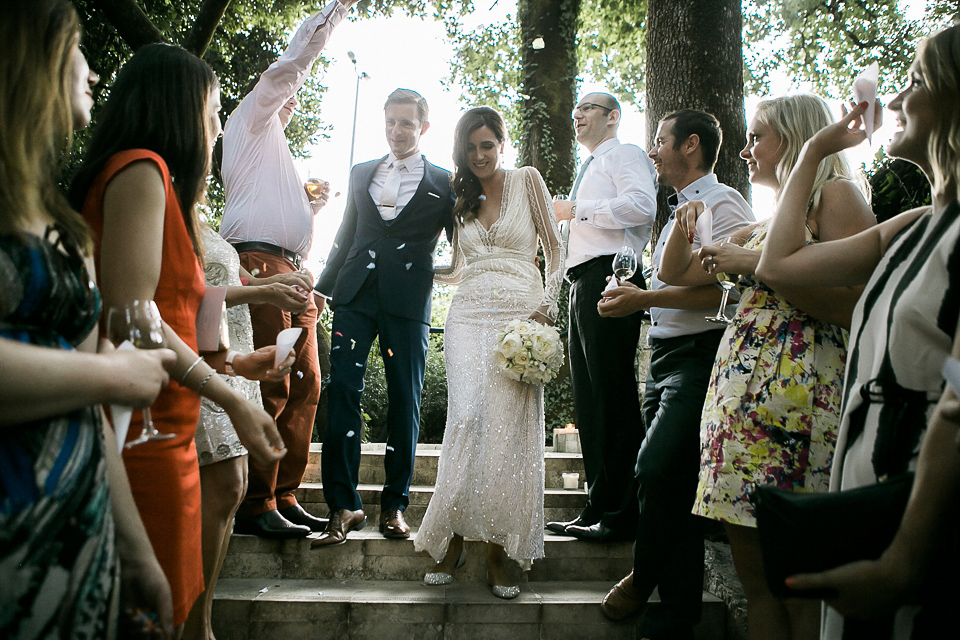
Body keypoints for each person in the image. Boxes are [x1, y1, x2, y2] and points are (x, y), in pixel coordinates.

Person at [70, 44, 289, 632]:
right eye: (214, 110)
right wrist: (229, 397)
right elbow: (135, 316)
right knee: (154, 609)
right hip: (145, 428)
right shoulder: (142, 169)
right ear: (180, 108)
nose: (217, 127)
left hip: (173, 421)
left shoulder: (160, 184)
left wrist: (239, 364)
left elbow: (178, 310)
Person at [757, 25, 960, 639]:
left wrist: (903, 564)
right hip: (869, 483)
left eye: (917, 83)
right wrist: (815, 150)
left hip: (922, 521)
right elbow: (778, 264)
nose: (893, 101)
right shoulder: (915, 225)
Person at [659, 96, 874, 640]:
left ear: (796, 138)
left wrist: (755, 266)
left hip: (798, 412)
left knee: (799, 587)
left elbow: (857, 304)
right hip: (740, 412)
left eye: (758, 136)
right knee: (760, 591)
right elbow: (677, 274)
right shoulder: (765, 222)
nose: (748, 148)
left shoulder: (835, 195)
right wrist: (689, 219)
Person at [0, 1, 175, 636]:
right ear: (33, 54)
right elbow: (101, 380)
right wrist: (111, 378)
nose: (94, 71)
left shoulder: (65, 223)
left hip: (83, 526)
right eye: (79, 48)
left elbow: (98, 417)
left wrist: (136, 552)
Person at [597, 109, 755, 638]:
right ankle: (678, 611)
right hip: (661, 356)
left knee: (657, 466)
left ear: (691, 145)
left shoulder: (723, 202)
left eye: (660, 141)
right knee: (677, 484)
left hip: (698, 354)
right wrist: (640, 303)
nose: (652, 151)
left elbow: (723, 289)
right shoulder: (675, 212)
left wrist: (643, 296)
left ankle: (643, 580)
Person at [219, 0, 357, 539]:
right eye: (286, 96)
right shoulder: (252, 118)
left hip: (294, 272)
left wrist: (311, 217)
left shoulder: (274, 148)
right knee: (273, 384)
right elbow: (288, 68)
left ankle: (284, 491)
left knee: (307, 387)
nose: (292, 99)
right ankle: (256, 503)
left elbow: (280, 219)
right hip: (259, 266)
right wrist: (332, 15)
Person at [413, 107, 564, 598]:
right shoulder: (461, 198)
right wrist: (414, 271)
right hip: (469, 314)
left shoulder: (527, 180)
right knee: (467, 418)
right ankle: (453, 534)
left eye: (487, 145)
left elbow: (556, 250)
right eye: (471, 147)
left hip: (521, 312)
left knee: (506, 427)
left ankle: (499, 550)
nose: (479, 155)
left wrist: (548, 303)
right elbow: (457, 266)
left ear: (502, 144)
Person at [313, 88, 455, 547]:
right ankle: (344, 505)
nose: (398, 131)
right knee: (342, 393)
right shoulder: (360, 173)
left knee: (404, 401)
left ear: (424, 128)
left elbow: (465, 240)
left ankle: (394, 506)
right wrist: (319, 290)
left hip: (408, 302)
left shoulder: (444, 182)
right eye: (391, 122)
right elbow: (345, 234)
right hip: (353, 295)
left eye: (407, 123)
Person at [183, 228, 310, 640]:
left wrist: (278, 285)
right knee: (221, 486)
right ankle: (190, 624)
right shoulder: (166, 205)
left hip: (229, 349)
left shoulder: (201, 220)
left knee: (232, 488)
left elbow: (242, 281)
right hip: (198, 358)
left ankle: (202, 622)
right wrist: (264, 296)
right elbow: (188, 293)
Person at [547, 92, 658, 542]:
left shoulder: (625, 154)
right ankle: (597, 504)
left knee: (612, 395)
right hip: (582, 282)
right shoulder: (589, 167)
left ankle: (621, 514)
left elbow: (641, 207)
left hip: (612, 276)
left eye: (589, 108)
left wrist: (576, 210)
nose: (577, 113)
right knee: (589, 400)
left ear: (613, 118)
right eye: (576, 108)